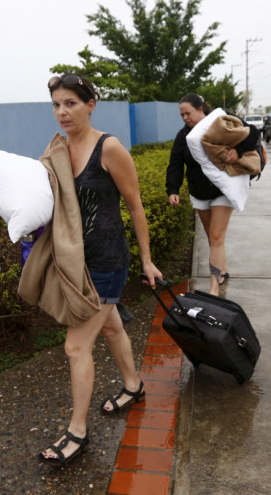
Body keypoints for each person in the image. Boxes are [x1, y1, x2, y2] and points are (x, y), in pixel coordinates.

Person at [38, 73, 162, 467]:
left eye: (71, 103)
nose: (62, 112)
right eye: (57, 104)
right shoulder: (57, 148)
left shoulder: (108, 148)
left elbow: (135, 205)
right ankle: (133, 386)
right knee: (112, 327)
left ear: (91, 104)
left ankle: (77, 432)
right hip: (76, 262)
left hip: (107, 262)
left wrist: (146, 259)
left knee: (76, 346)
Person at [166, 94, 236, 295]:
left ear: (200, 109)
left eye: (187, 113)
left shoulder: (220, 124)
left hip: (222, 189)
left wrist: (238, 153)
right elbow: (175, 164)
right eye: (181, 115)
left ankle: (214, 284)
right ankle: (222, 268)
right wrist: (173, 189)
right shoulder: (183, 137)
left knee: (215, 237)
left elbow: (249, 134)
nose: (185, 118)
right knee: (212, 236)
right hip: (199, 193)